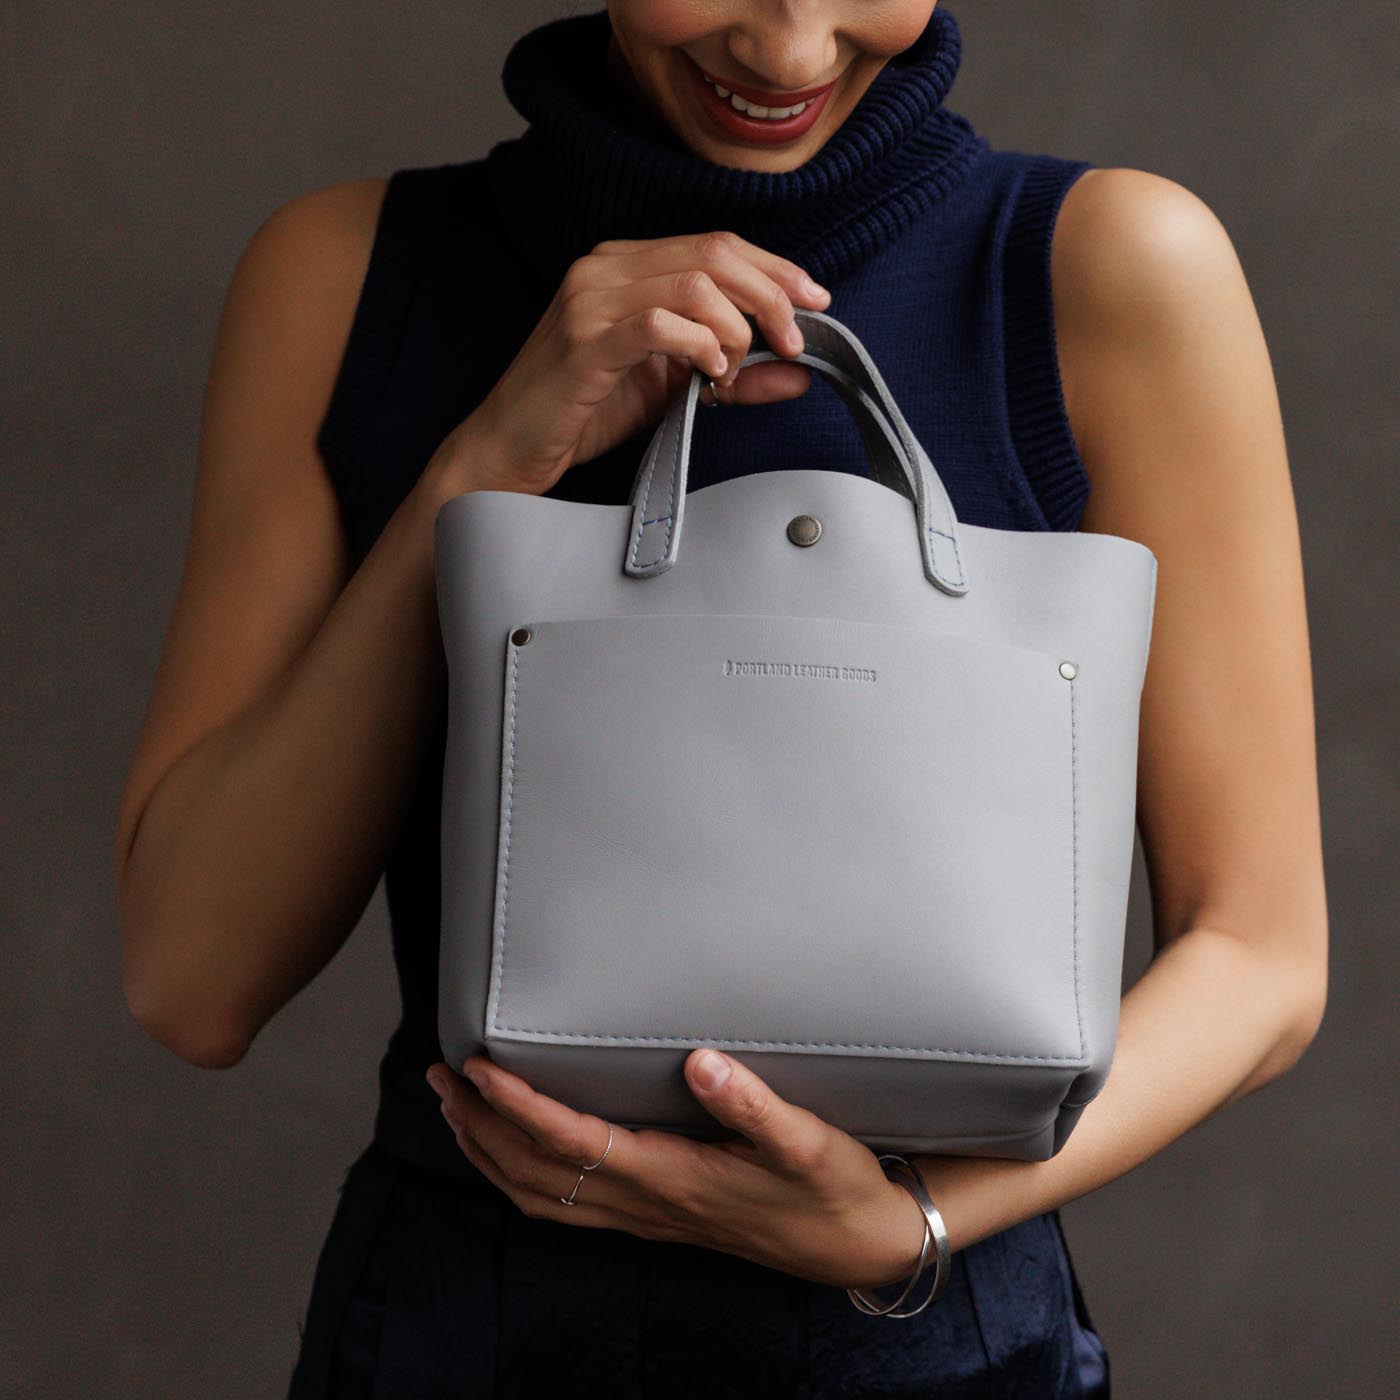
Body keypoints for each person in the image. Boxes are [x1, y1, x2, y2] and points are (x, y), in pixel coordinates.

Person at [113, 2, 1328, 1395]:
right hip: (460, 1336)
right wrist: (490, 459)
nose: (790, 50)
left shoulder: (1100, 266)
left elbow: (1262, 955)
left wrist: (911, 1219)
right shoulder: (345, 274)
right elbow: (193, 983)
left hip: (935, 1348)